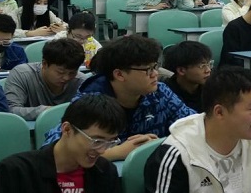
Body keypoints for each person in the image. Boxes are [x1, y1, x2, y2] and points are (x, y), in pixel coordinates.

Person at [0, 94, 130, 193]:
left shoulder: (104, 171)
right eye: (97, 141)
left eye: (110, 142)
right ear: (67, 129)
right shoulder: (15, 172)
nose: (102, 150)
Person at [44, 35, 196, 161]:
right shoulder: (90, 102)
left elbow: (195, 125)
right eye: (147, 69)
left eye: (155, 67)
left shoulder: (160, 92)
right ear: (119, 74)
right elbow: (53, 148)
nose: (155, 74)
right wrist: (115, 153)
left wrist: (159, 145)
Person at [4, 38, 88, 120]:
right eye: (60, 72)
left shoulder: (82, 82)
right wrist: (44, 111)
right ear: (44, 64)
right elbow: (10, 110)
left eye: (72, 73)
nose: (66, 78)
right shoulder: (22, 74)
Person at [163, 41, 212, 113]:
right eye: (202, 66)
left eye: (209, 64)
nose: (208, 70)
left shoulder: (212, 88)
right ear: (181, 70)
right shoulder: (165, 94)